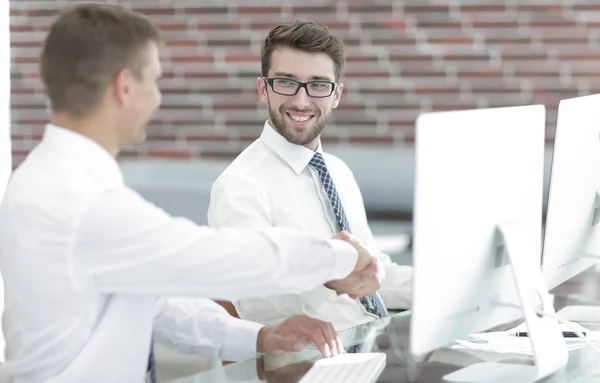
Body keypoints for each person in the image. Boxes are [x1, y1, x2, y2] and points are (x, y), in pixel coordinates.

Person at [0, 5, 378, 382]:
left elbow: (156, 306)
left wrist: (261, 336)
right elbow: (229, 259)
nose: (158, 97)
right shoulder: (81, 201)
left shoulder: (49, 178)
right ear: (125, 87)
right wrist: (342, 256)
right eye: (156, 80)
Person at [208, 20, 413, 332]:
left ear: (336, 95)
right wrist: (329, 279)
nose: (301, 101)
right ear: (264, 89)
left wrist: (454, 287)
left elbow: (375, 271)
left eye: (318, 85)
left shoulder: (338, 171)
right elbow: (252, 299)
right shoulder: (240, 186)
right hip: (305, 366)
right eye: (286, 83)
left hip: (375, 343)